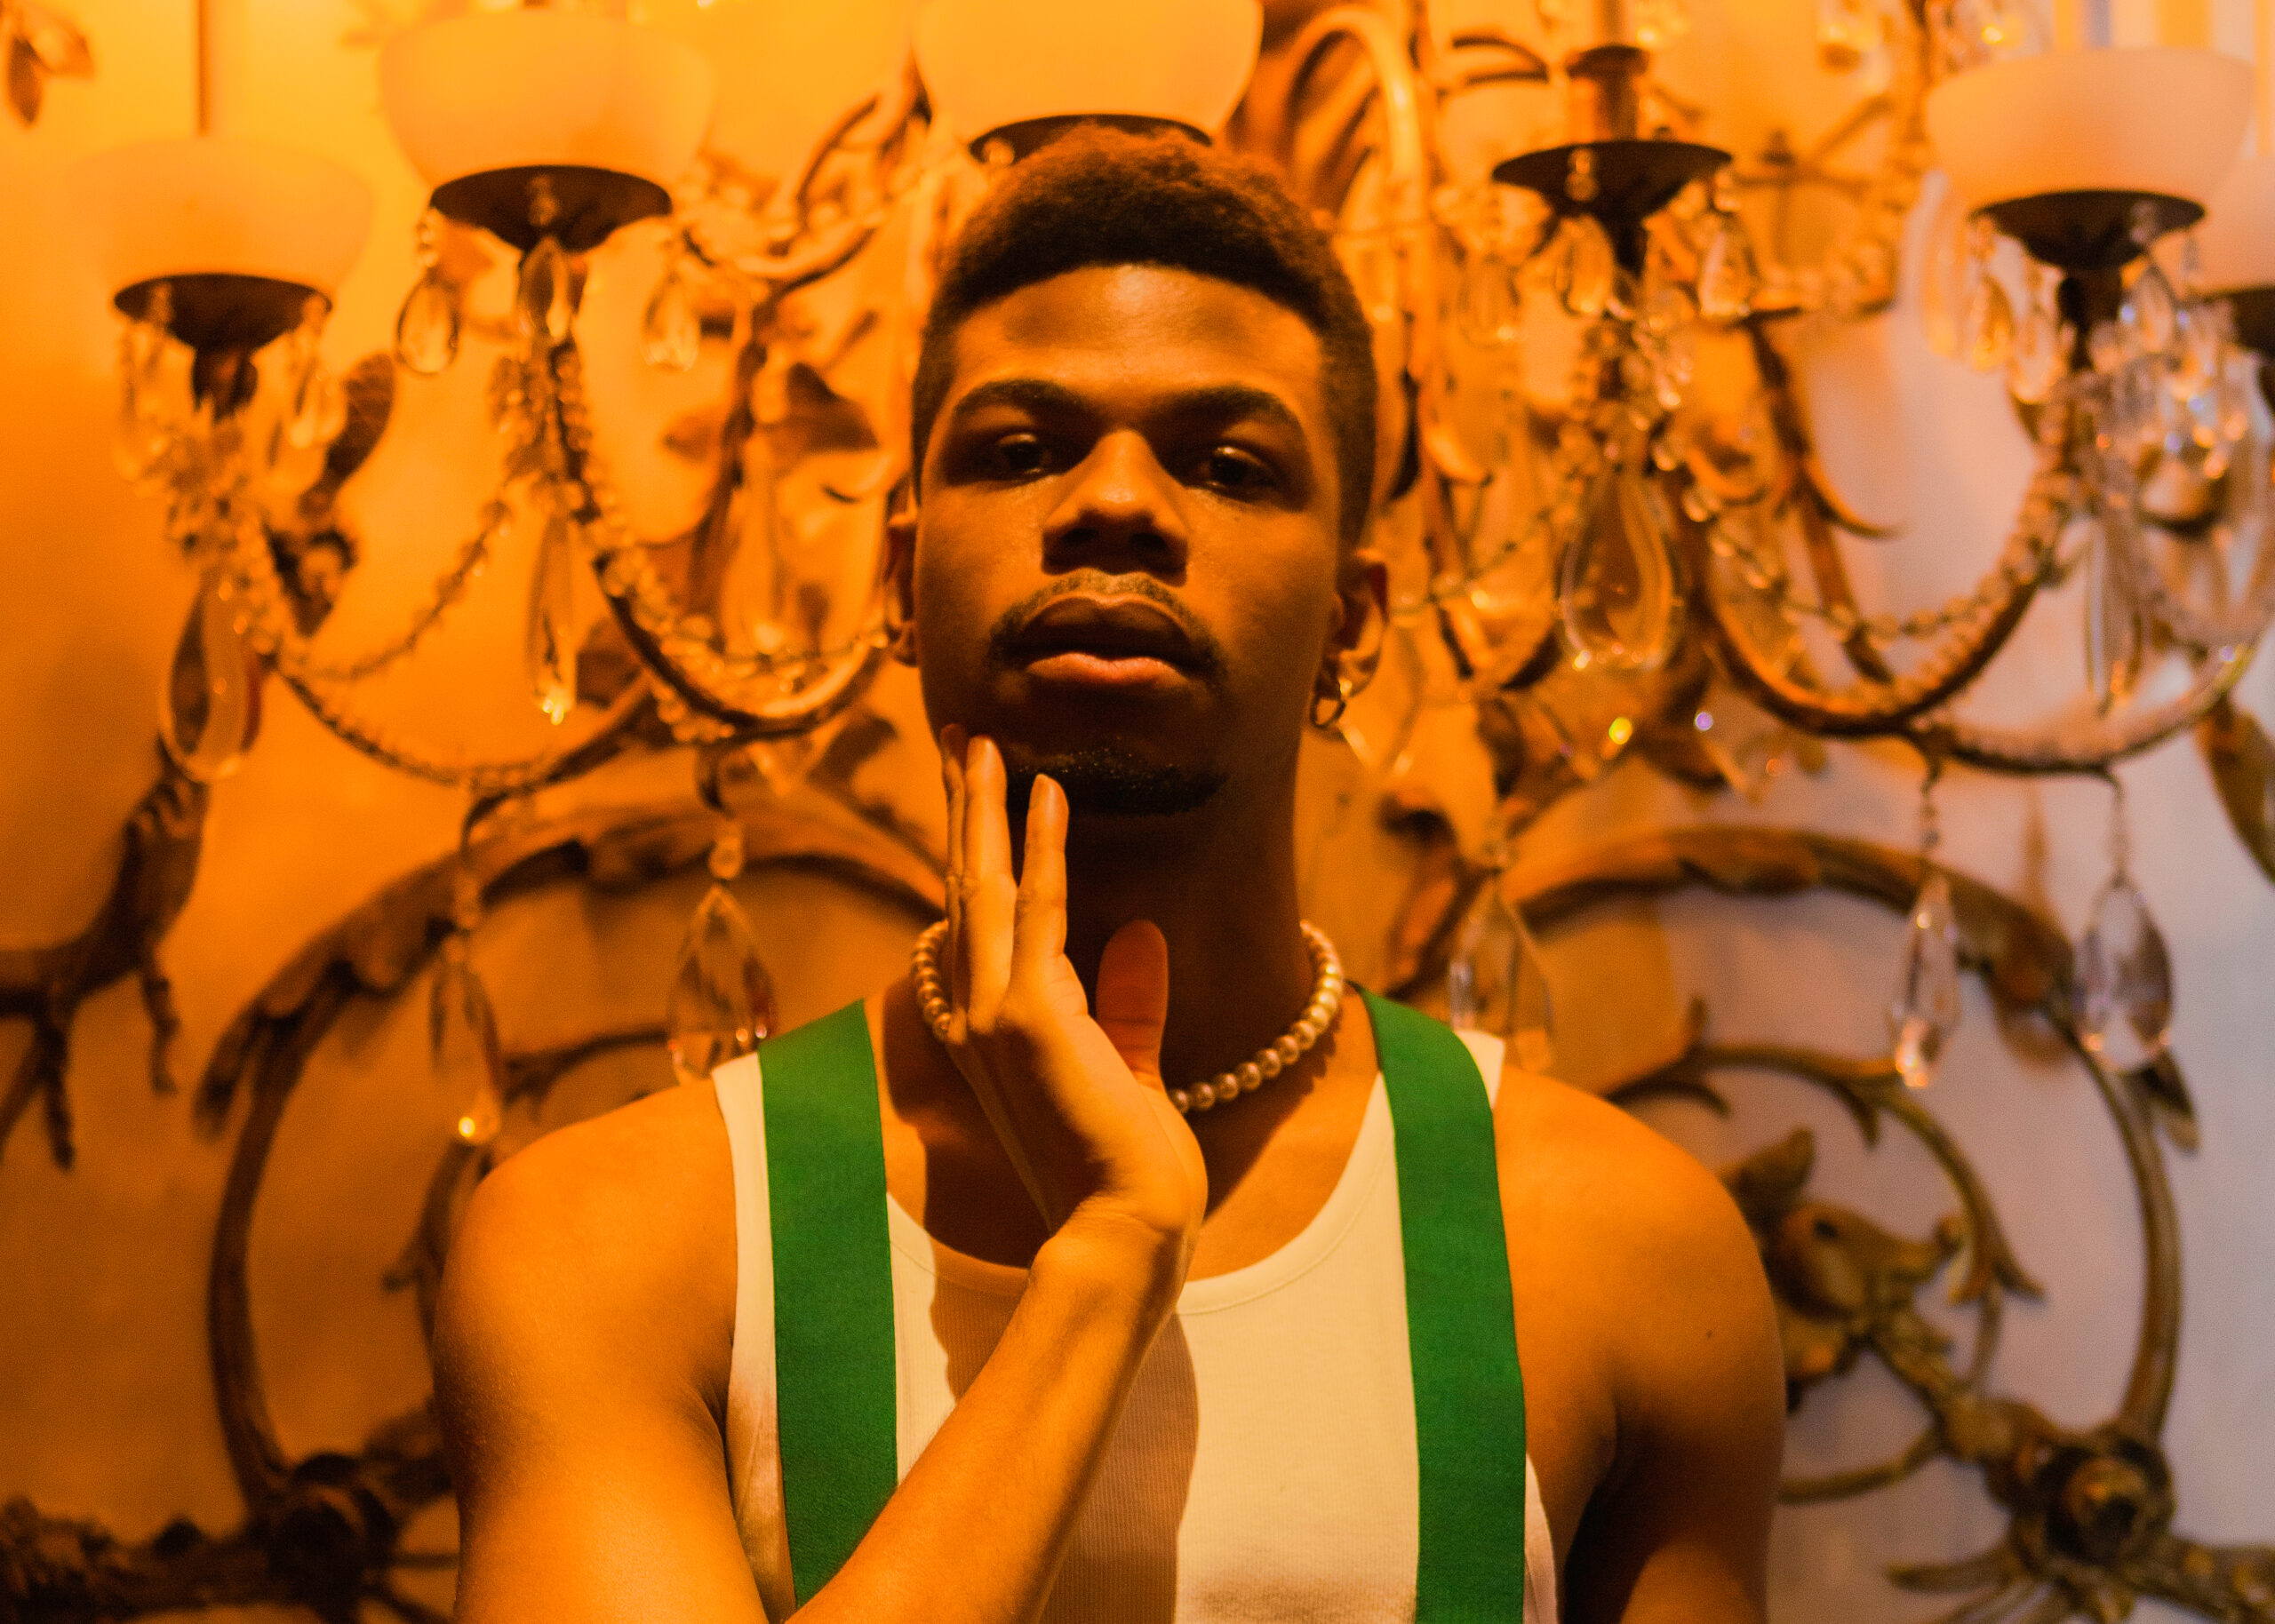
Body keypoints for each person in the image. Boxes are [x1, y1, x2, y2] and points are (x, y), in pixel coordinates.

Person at [434, 128, 1785, 1624]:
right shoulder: (613, 1243)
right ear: (897, 584)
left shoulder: (1626, 1252)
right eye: (1022, 451)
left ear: (1352, 625)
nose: (1117, 503)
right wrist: (1111, 1258)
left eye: (1229, 464)